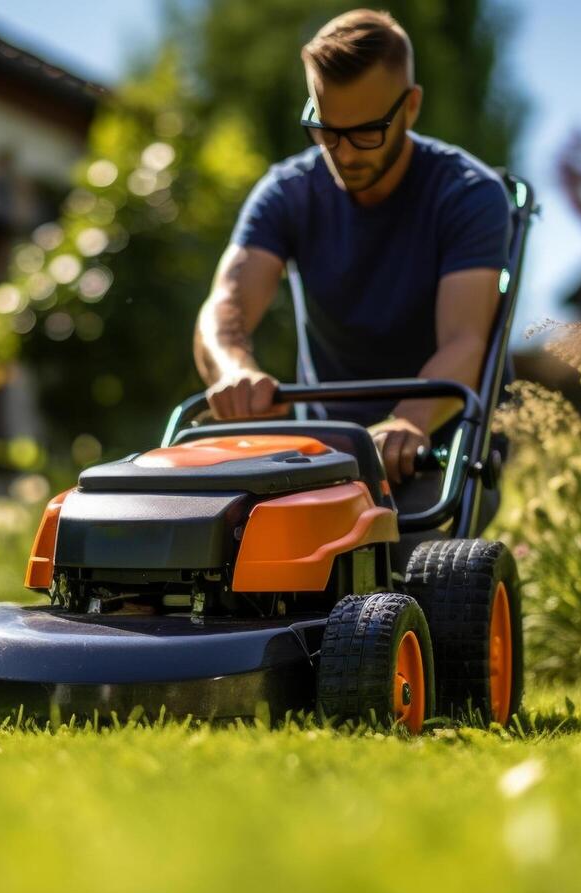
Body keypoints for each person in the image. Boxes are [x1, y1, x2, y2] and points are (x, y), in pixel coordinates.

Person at [192, 8, 514, 525]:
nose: (341, 153)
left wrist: (408, 424)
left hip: (439, 451)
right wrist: (235, 372)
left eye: (365, 132)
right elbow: (225, 305)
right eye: (325, 129)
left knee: (399, 564)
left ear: (410, 107)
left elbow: (465, 343)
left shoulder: (468, 195)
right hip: (321, 454)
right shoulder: (286, 192)